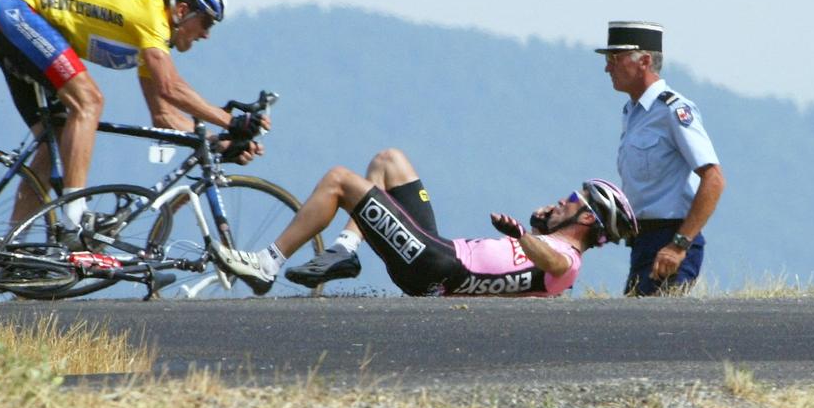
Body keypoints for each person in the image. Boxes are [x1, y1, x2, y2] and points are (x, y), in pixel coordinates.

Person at [0, 0, 268, 230]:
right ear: (182, 11)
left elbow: (165, 116)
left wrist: (220, 143)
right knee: (89, 101)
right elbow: (171, 86)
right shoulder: (151, 17)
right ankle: (75, 215)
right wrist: (231, 121)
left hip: (11, 20)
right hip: (17, 13)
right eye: (207, 22)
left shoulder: (149, 43)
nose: (206, 35)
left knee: (55, 139)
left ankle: (10, 250)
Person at [208, 148, 638, 297]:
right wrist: (536, 229)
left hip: (435, 267)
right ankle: (347, 249)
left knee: (340, 180)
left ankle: (268, 263)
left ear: (586, 217)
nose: (557, 202)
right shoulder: (555, 244)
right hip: (438, 252)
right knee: (389, 161)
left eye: (568, 201)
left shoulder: (568, 262)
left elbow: (554, 264)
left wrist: (527, 236)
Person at [596, 21, 725, 296]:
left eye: (614, 59)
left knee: (656, 331)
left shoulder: (673, 110)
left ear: (643, 61)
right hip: (642, 241)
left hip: (670, 241)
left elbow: (713, 178)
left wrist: (679, 245)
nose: (608, 68)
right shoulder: (633, 113)